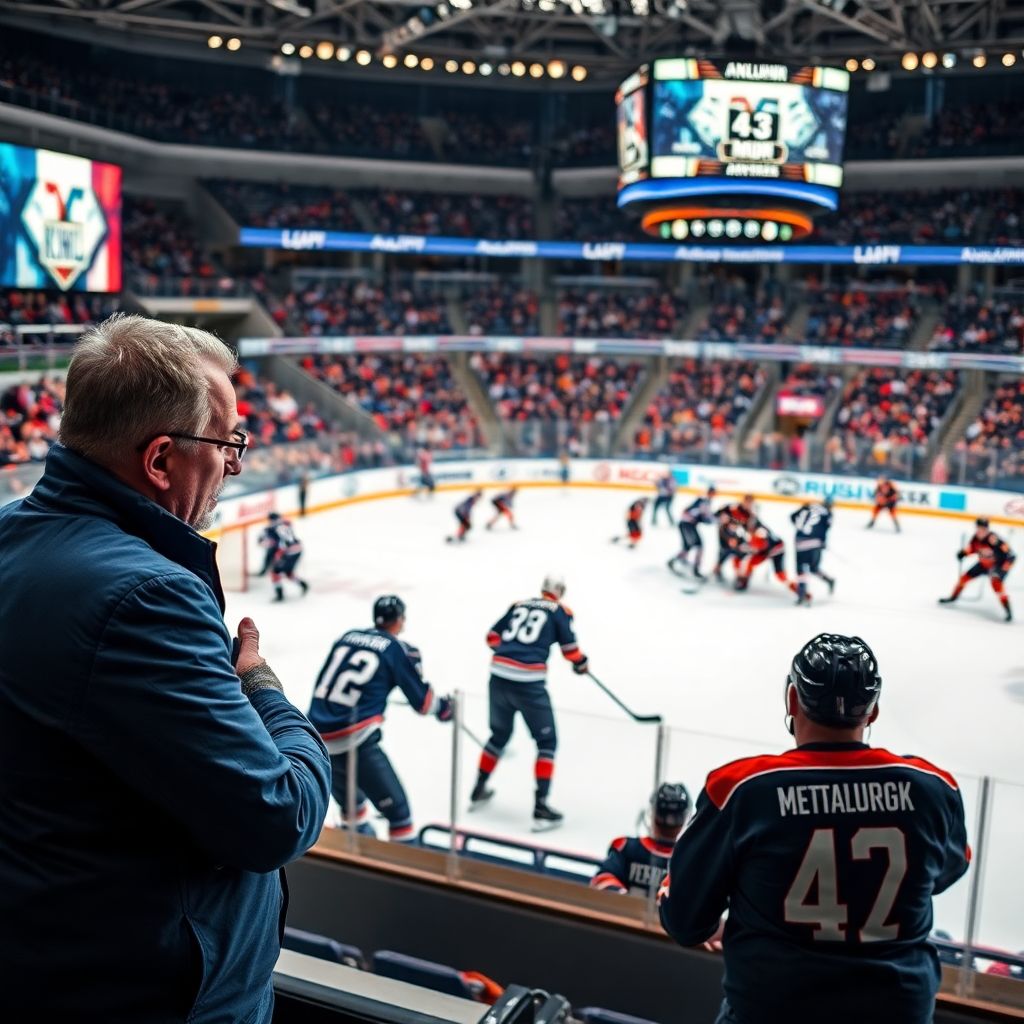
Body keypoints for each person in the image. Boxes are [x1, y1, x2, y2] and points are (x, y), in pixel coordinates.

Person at [0, 314, 331, 1023]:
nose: (234, 464)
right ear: (160, 461)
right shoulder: (146, 596)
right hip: (146, 995)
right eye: (227, 444)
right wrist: (264, 692)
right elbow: (276, 818)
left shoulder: (10, 535)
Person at [659, 633, 970, 1024]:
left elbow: (685, 921)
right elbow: (946, 871)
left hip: (775, 1008)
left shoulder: (742, 790)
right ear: (872, 712)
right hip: (897, 1009)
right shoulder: (934, 788)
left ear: (792, 700)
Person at [307, 595, 453, 842]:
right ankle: (404, 873)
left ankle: (358, 863)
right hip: (355, 739)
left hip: (317, 740)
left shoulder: (347, 636)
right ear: (399, 621)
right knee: (399, 816)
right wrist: (445, 708)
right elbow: (424, 702)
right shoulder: (395, 649)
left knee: (353, 810)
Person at [471, 574, 589, 829]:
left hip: (498, 676)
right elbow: (571, 651)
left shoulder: (519, 604)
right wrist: (581, 662)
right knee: (547, 741)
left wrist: (510, 653)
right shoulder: (560, 611)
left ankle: (478, 788)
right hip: (529, 684)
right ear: (560, 591)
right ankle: (541, 806)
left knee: (499, 734)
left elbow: (492, 637)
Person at [591, 783, 691, 896]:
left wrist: (624, 899)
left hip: (623, 912)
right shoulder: (688, 859)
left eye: (674, 819)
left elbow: (602, 879)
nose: (668, 822)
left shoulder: (626, 847)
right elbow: (603, 878)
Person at [939, 517, 1015, 622]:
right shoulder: (975, 538)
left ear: (987, 529)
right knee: (964, 578)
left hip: (995, 567)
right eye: (978, 528)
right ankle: (953, 597)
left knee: (997, 586)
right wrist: (963, 553)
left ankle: (1008, 611)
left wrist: (1003, 569)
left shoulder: (994, 539)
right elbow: (971, 548)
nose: (980, 531)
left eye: (983, 529)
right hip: (982, 565)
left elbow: (1011, 555)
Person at [734, 519, 799, 598]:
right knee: (748, 563)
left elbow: (757, 547)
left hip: (776, 551)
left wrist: (747, 547)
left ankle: (797, 589)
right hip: (766, 551)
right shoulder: (755, 532)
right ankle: (743, 580)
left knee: (780, 575)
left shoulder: (760, 533)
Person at [791, 495, 836, 606]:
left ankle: (802, 594)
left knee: (801, 569)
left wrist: (799, 528)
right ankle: (829, 580)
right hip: (815, 542)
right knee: (813, 568)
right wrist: (823, 542)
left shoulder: (810, 507)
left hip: (799, 542)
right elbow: (826, 528)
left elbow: (792, 517)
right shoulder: (828, 513)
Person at [668, 485, 717, 579]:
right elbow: (706, 518)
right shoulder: (704, 502)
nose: (713, 495)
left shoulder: (703, 501)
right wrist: (717, 520)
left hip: (686, 524)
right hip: (688, 525)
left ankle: (673, 561)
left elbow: (701, 516)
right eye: (712, 493)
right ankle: (696, 569)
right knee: (699, 545)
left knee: (688, 546)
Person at [260, 510, 309, 601]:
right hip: (298, 549)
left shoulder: (271, 529)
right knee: (288, 573)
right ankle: (303, 584)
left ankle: (280, 595)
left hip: (288, 552)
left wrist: (277, 554)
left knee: (275, 572)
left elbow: (272, 543)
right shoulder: (285, 523)